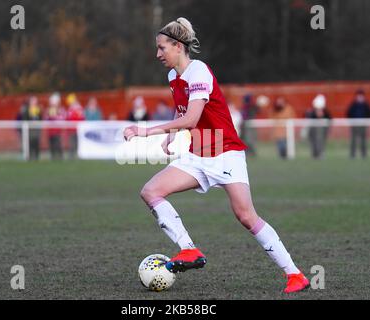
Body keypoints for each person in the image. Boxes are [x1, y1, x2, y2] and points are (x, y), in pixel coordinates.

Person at [123, 17, 309, 293]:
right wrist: (171, 137)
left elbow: (192, 118)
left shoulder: (198, 71)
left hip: (225, 153)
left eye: (162, 47)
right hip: (197, 154)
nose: (157, 54)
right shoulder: (174, 76)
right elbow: (183, 111)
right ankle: (189, 250)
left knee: (246, 216)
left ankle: (295, 275)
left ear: (178, 46)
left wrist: (145, 131)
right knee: (151, 191)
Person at [305, 94, 332, 159]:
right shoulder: (312, 112)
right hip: (313, 131)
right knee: (313, 142)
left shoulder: (325, 112)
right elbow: (309, 118)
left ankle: (320, 154)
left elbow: (329, 119)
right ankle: (314, 154)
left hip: (321, 131)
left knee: (321, 142)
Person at [346, 89, 370, 159]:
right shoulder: (353, 104)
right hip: (354, 124)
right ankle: (352, 154)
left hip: (363, 124)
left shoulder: (366, 105)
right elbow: (349, 113)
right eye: (359, 95)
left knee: (363, 140)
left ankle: (363, 154)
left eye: (361, 95)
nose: (360, 97)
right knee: (353, 139)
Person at [45, 92, 66, 160]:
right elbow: (46, 118)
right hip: (50, 131)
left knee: (58, 144)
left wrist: (56, 116)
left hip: (57, 131)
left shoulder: (61, 109)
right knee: (51, 144)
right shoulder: (48, 110)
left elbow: (63, 118)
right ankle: (53, 156)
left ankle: (60, 156)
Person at [66, 93, 85, 159]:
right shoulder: (71, 109)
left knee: (77, 144)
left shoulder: (78, 108)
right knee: (72, 144)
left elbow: (81, 118)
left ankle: (78, 156)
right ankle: (72, 156)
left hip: (78, 129)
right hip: (72, 129)